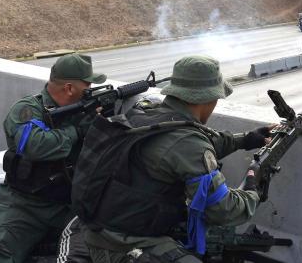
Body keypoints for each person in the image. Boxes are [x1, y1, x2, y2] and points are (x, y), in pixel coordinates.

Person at [72, 55, 273, 263]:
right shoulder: (187, 142)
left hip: (100, 227)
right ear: (207, 99)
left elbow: (190, 145)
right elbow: (223, 210)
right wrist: (253, 190)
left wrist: (246, 140)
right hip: (124, 245)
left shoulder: (147, 112)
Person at [0, 53, 106, 263]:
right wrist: (77, 130)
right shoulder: (28, 109)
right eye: (87, 86)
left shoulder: (85, 112)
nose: (91, 91)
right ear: (69, 88)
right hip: (25, 206)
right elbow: (36, 146)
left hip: (70, 205)